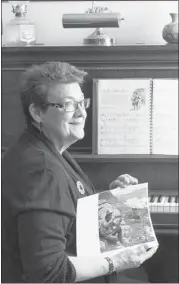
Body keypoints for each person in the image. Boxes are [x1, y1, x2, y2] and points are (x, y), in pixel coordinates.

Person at [2, 61, 158, 283]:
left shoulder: (45, 147)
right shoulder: (42, 171)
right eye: (67, 105)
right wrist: (118, 261)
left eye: (81, 102)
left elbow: (64, 213)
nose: (81, 113)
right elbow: (49, 272)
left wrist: (110, 201)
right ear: (37, 112)